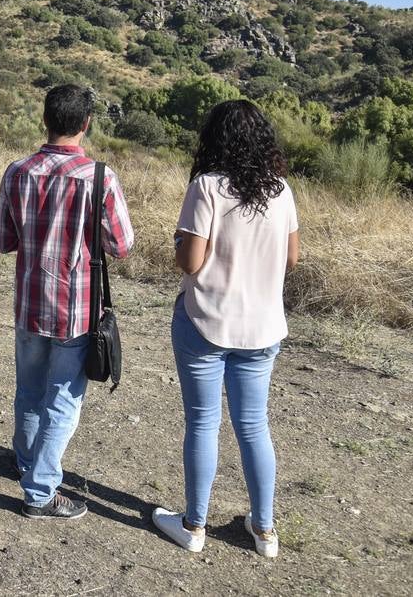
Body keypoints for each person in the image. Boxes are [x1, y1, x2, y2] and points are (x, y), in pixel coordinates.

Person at [152, 100, 299, 558]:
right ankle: (264, 530)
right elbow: (291, 259)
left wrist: (180, 242)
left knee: (202, 422)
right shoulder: (282, 190)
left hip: (206, 322)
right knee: (254, 426)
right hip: (263, 328)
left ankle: (193, 524)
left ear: (215, 139)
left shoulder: (207, 187)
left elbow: (189, 261)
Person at [0, 84, 134, 520]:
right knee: (63, 400)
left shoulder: (16, 172)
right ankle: (40, 490)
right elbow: (122, 244)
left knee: (29, 392)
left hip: (29, 303)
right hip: (75, 309)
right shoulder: (99, 177)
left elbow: (2, 241)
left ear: (45, 119)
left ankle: (26, 462)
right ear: (85, 124)